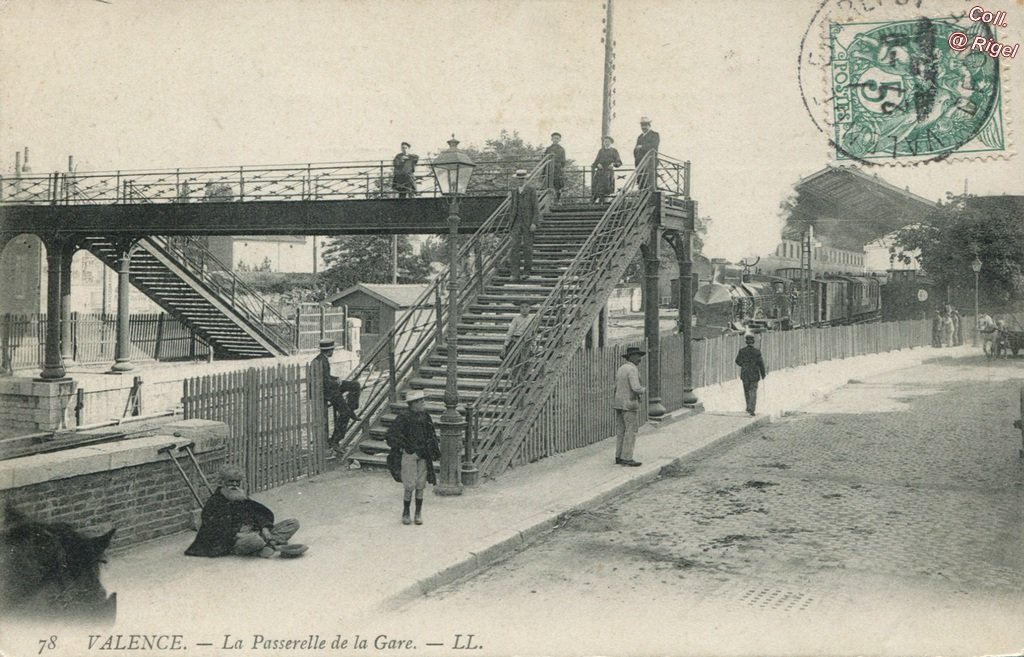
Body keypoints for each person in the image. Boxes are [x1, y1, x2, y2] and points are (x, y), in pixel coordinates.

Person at [185, 466, 306, 558]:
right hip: (234, 540)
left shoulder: (240, 496)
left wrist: (264, 528)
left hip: (255, 532)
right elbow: (215, 530)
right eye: (230, 481)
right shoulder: (215, 503)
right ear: (222, 483)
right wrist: (241, 535)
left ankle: (268, 544)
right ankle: (268, 544)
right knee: (255, 540)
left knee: (292, 523)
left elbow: (259, 513)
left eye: (237, 482)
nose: (235, 485)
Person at [384, 390, 442, 525]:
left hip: (423, 454)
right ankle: (406, 512)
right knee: (409, 484)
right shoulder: (403, 417)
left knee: (421, 484)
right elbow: (391, 435)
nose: (423, 403)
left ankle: (418, 513)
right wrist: (405, 447)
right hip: (410, 454)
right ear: (413, 404)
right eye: (420, 401)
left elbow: (431, 434)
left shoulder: (426, 416)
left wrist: (434, 451)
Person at [313, 339, 361, 452]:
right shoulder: (320, 361)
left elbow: (327, 377)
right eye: (332, 350)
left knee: (355, 385)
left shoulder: (322, 359)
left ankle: (352, 408)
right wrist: (336, 382)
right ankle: (335, 440)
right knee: (344, 414)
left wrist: (336, 379)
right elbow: (324, 382)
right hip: (327, 391)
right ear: (329, 350)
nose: (333, 352)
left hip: (330, 387)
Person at [613, 346, 646, 467]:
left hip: (619, 403)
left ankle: (619, 456)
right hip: (630, 404)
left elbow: (615, 386)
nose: (639, 359)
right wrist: (644, 390)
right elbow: (636, 387)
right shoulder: (632, 369)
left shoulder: (621, 368)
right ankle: (627, 457)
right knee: (631, 431)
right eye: (638, 356)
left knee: (621, 430)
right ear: (631, 357)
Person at [508, 169, 540, 282]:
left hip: (528, 222)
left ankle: (527, 272)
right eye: (519, 179)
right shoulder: (514, 191)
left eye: (522, 179)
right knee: (514, 247)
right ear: (516, 180)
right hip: (516, 222)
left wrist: (534, 223)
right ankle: (514, 273)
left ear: (526, 179)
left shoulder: (531, 191)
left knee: (527, 247)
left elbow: (536, 208)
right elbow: (512, 207)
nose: (520, 181)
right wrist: (510, 223)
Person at [503, 302, 535, 386]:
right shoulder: (516, 318)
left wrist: (533, 344)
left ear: (529, 308)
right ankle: (514, 381)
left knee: (525, 361)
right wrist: (505, 344)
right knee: (515, 361)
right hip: (516, 340)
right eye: (522, 307)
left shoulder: (533, 318)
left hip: (527, 342)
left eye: (526, 307)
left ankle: (523, 380)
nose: (524, 309)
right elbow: (511, 331)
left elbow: (534, 331)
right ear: (519, 309)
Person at [735, 334, 767, 416]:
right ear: (753, 342)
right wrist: (763, 374)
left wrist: (744, 365)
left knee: (746, 391)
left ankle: (748, 406)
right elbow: (761, 364)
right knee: (753, 391)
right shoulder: (757, 352)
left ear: (746, 342)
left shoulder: (742, 351)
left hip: (745, 373)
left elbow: (737, 361)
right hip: (754, 374)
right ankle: (752, 408)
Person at [591, 136, 622, 202]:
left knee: (607, 187)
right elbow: (595, 162)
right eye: (605, 142)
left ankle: (605, 201)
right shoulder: (601, 151)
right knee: (598, 187)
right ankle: (597, 201)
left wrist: (613, 164)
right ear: (603, 143)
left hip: (608, 172)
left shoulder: (614, 151)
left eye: (608, 142)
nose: (607, 143)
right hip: (600, 172)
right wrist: (598, 164)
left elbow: (619, 162)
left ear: (611, 143)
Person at [544, 132, 566, 202]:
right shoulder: (548, 149)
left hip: (557, 170)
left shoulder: (561, 149)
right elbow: (545, 159)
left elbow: (563, 161)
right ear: (551, 139)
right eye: (554, 138)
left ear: (559, 140)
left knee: (558, 185)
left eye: (557, 138)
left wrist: (559, 166)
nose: (555, 140)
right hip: (548, 169)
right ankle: (549, 201)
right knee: (548, 184)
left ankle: (557, 200)